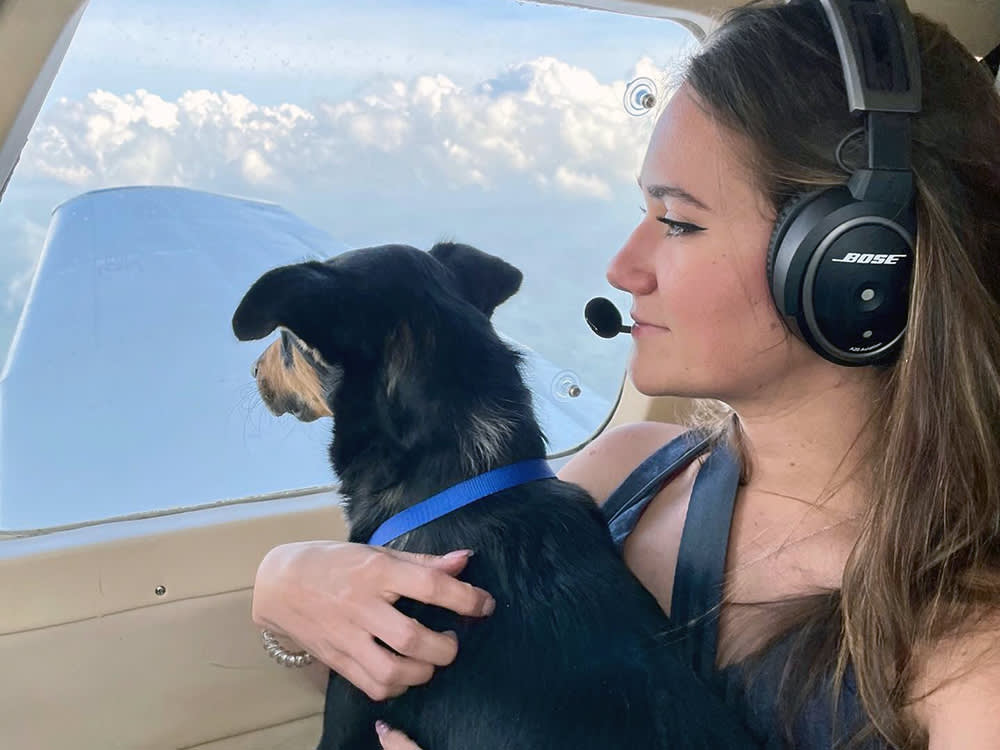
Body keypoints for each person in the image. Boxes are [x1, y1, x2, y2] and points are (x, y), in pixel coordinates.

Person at [250, 2, 1000, 748]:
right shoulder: (623, 476)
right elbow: (418, 680)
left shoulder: (970, 656)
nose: (623, 267)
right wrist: (290, 590)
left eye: (678, 222)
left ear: (850, 263)